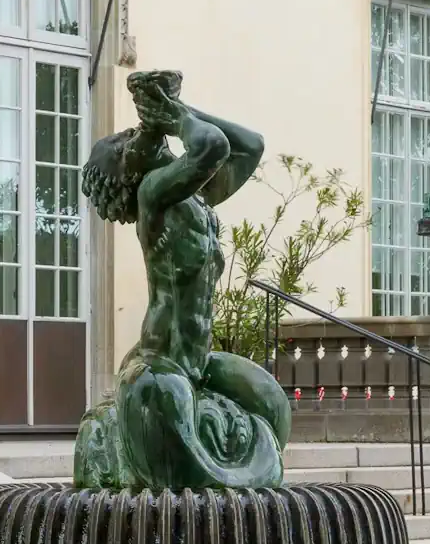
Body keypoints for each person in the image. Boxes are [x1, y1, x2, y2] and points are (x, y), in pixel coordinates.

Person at [74, 70, 291, 490]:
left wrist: (177, 109)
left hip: (200, 362)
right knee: (176, 446)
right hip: (162, 361)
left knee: (272, 403)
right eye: (125, 144)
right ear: (127, 172)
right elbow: (210, 147)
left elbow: (250, 146)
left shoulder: (195, 198)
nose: (136, 135)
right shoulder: (153, 195)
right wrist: (171, 116)